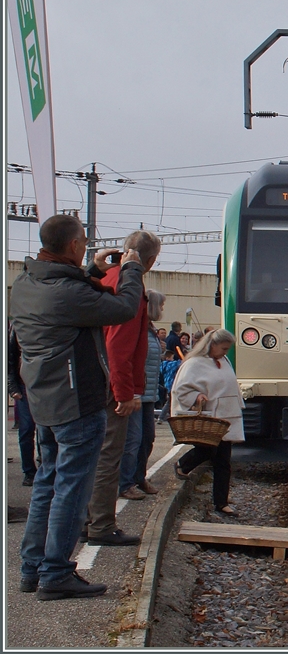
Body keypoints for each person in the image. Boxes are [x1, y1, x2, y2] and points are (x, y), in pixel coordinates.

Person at [9, 214, 144, 600]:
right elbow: (123, 308)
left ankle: (32, 568)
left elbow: (69, 292)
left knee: (48, 485)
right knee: (71, 489)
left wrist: (92, 269)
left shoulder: (25, 283)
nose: (86, 244)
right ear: (72, 245)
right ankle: (56, 573)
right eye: (84, 241)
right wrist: (131, 268)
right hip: (77, 400)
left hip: (44, 400)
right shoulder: (68, 295)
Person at [84, 231, 161, 547]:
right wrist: (125, 391)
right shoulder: (130, 286)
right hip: (111, 384)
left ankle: (85, 519)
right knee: (109, 455)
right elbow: (119, 344)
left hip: (90, 380)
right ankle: (101, 525)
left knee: (90, 455)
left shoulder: (105, 277)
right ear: (151, 260)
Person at [172, 329, 244, 515]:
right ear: (211, 345)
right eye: (223, 348)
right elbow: (181, 389)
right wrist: (196, 396)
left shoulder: (224, 361)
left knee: (223, 461)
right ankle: (184, 464)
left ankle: (221, 502)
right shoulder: (194, 364)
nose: (225, 353)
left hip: (226, 417)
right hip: (211, 416)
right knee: (209, 451)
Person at [119, 290, 165, 500]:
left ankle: (138, 477)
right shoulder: (138, 329)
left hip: (148, 393)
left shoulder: (150, 331)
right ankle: (125, 482)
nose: (162, 310)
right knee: (133, 440)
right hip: (137, 394)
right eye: (161, 305)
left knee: (147, 437)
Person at [7, 323, 38, 486]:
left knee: (47, 430)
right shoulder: (18, 327)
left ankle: (46, 467)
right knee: (26, 429)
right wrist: (13, 387)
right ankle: (29, 471)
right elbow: (10, 360)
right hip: (24, 385)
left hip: (44, 385)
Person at [159, 347, 182, 423]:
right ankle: (163, 417)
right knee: (170, 401)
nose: (173, 359)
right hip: (172, 385)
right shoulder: (170, 365)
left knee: (170, 401)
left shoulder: (162, 365)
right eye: (172, 358)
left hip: (167, 385)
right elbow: (179, 363)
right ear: (168, 358)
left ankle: (165, 416)